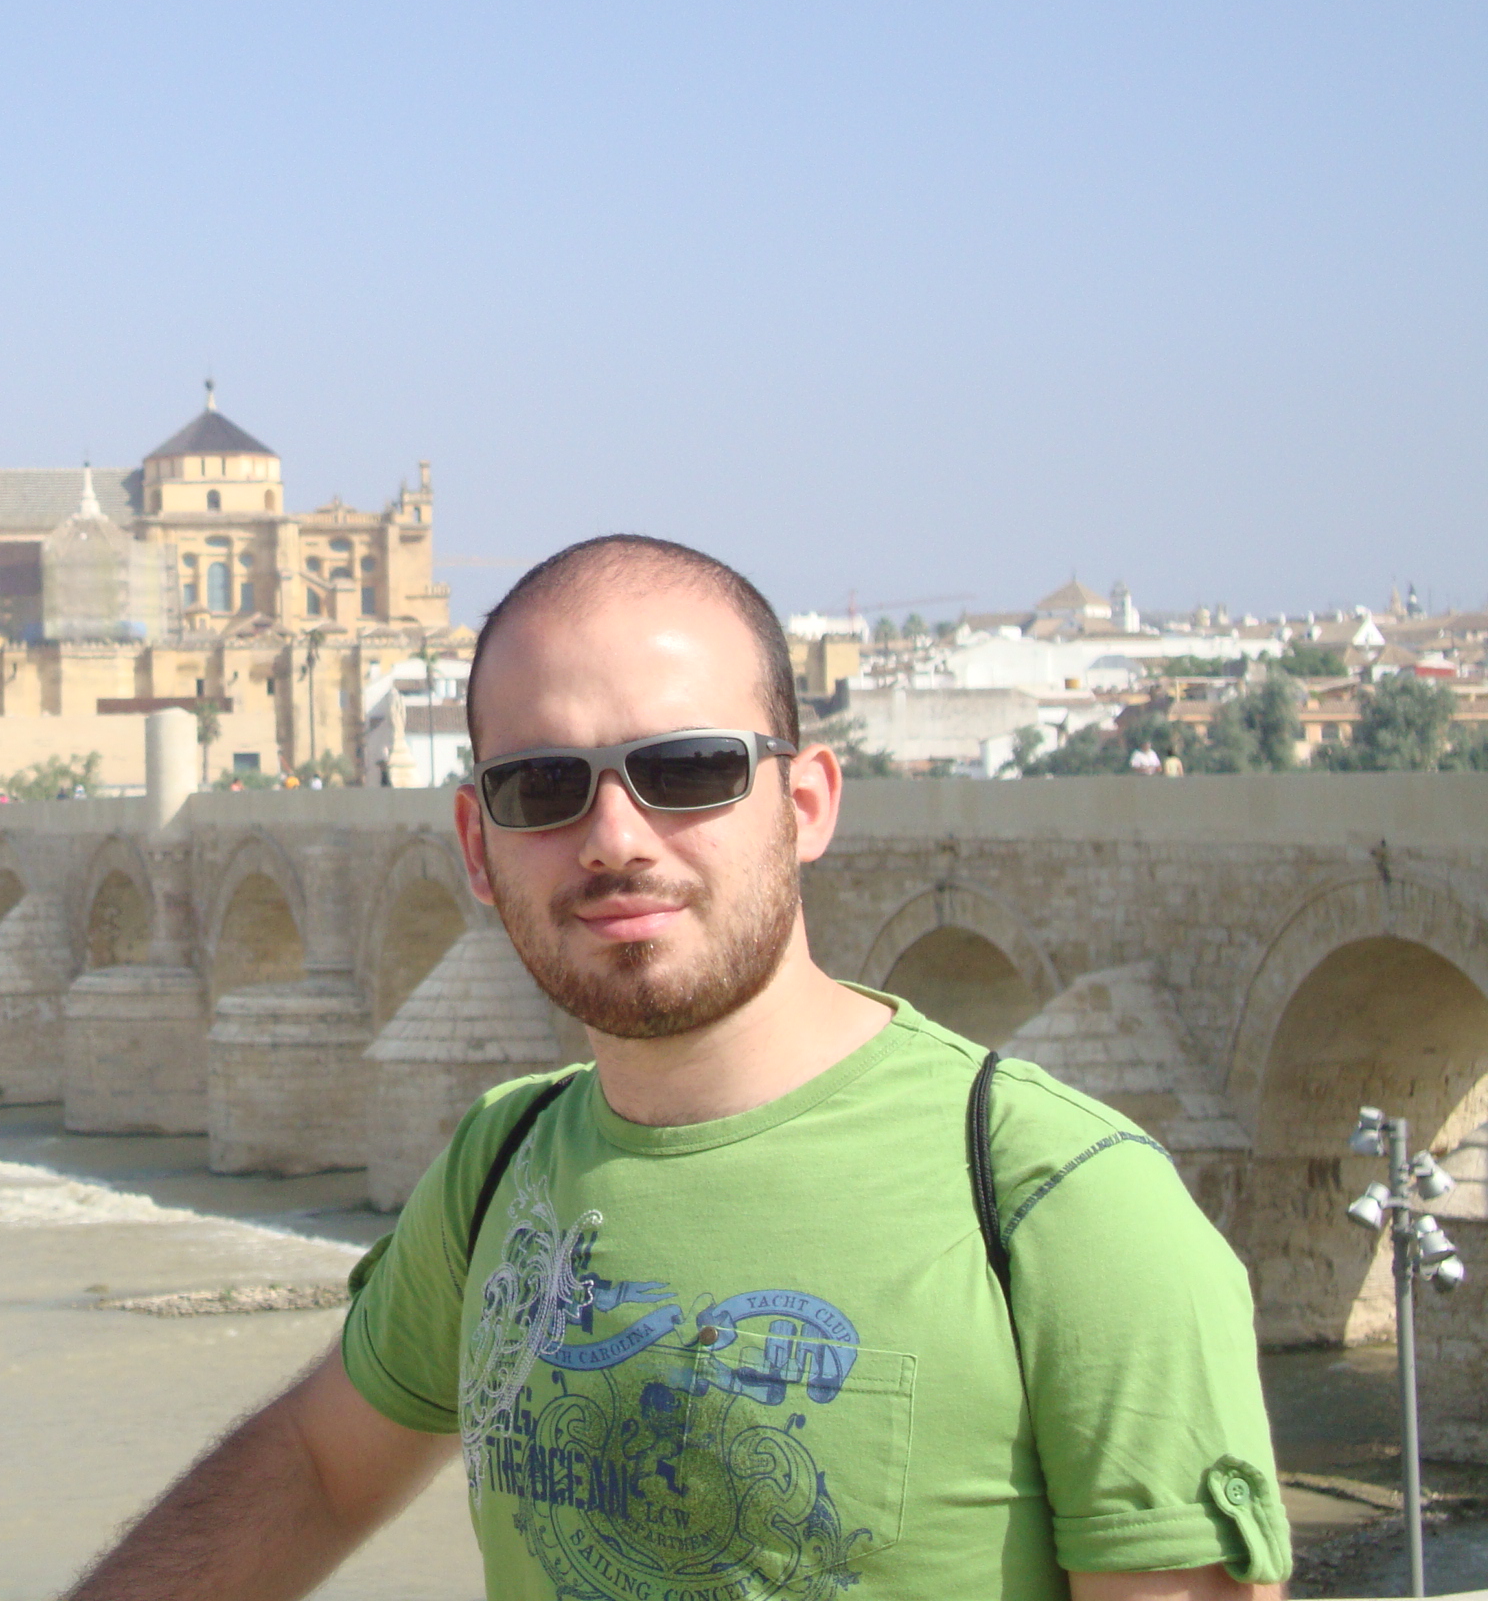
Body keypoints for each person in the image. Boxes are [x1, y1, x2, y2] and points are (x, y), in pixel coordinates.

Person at [66, 535, 1288, 1601]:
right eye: (542, 786)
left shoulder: (1063, 1201)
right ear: (477, 846)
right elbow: (319, 1469)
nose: (613, 839)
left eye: (689, 769)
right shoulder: (500, 1168)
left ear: (807, 802)